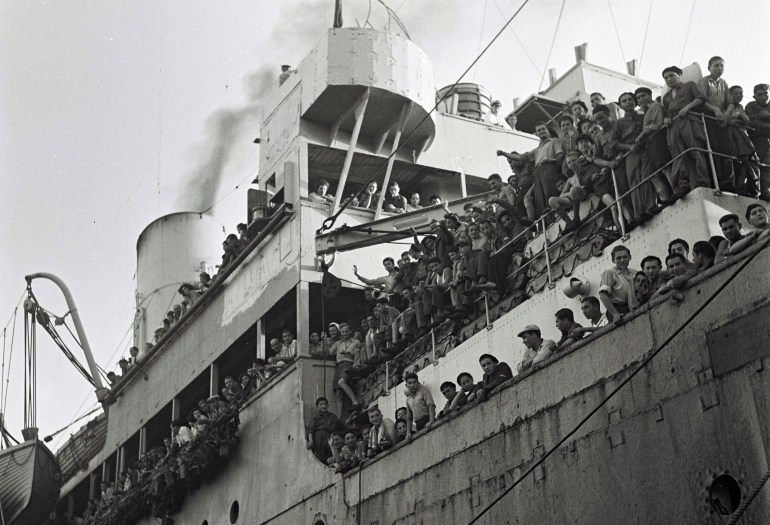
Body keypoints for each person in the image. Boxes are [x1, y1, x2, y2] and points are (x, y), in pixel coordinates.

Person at [661, 65, 710, 201]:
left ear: (679, 75)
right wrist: (666, 118)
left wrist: (687, 107)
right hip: (674, 125)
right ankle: (683, 184)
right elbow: (666, 111)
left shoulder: (689, 85)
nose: (669, 79)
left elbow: (700, 98)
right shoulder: (666, 97)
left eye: (671, 75)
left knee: (696, 151)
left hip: (689, 120)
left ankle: (703, 181)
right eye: (666, 77)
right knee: (678, 155)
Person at [497, 122, 564, 219]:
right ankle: (548, 221)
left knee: (550, 193)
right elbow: (520, 157)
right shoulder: (536, 150)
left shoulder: (554, 141)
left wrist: (556, 169)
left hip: (549, 168)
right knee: (541, 199)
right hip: (538, 173)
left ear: (547, 131)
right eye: (538, 130)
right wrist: (504, 153)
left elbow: (560, 155)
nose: (541, 131)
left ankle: (557, 216)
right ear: (536, 133)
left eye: (543, 129)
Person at [634, 87, 673, 214]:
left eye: (643, 95)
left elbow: (657, 124)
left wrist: (642, 134)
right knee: (653, 175)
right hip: (650, 144)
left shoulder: (655, 106)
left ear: (650, 95)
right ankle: (666, 198)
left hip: (657, 139)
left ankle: (675, 191)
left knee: (665, 167)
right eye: (638, 98)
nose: (641, 99)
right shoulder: (646, 111)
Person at [725, 85, 761, 197]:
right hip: (735, 137)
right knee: (740, 161)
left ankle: (747, 188)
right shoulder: (726, 106)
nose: (740, 95)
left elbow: (746, 120)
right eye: (736, 93)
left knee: (749, 161)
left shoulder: (740, 107)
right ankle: (739, 188)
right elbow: (727, 120)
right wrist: (736, 119)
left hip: (743, 136)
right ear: (730, 95)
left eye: (741, 93)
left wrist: (739, 118)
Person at [599, 245, 638, 322]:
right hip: (617, 309)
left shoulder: (634, 273)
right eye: (618, 258)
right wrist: (615, 314)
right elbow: (603, 295)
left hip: (631, 306)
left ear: (630, 257)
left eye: (625, 257)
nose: (622, 260)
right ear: (613, 260)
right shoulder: (610, 272)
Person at [745, 83, 770, 200]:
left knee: (767, 167)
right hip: (755, 141)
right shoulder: (750, 106)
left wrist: (767, 116)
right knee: (754, 165)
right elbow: (751, 122)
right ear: (754, 96)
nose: (764, 97)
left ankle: (766, 192)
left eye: (766, 94)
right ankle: (753, 191)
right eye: (760, 95)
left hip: (768, 142)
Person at [329, 323, 362, 410]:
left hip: (349, 364)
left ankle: (355, 402)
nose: (344, 333)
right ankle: (339, 418)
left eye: (346, 331)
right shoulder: (338, 343)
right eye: (342, 332)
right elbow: (330, 353)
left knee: (341, 382)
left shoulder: (356, 342)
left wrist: (347, 352)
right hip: (339, 366)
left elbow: (358, 355)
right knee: (338, 393)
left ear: (350, 331)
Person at [306, 397, 346, 463]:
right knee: (324, 457)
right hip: (319, 438)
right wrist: (311, 441)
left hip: (330, 437)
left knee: (334, 453)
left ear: (328, 405)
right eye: (321, 405)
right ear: (318, 407)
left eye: (325, 404)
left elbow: (341, 426)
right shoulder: (316, 418)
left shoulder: (332, 416)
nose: (323, 406)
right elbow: (310, 430)